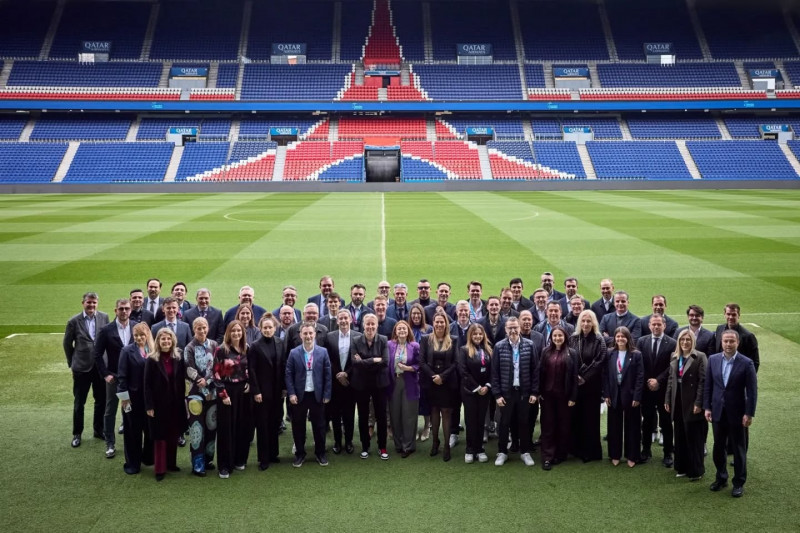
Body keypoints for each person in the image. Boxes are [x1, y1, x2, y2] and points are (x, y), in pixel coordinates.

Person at [704, 330, 757, 498]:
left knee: (738, 448)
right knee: (718, 447)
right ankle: (721, 478)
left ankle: (738, 483)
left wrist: (749, 413)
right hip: (718, 412)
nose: (728, 344)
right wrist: (707, 407)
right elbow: (708, 386)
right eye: (725, 341)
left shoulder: (747, 363)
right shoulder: (713, 360)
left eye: (731, 341)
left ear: (737, 343)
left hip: (738, 413)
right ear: (721, 342)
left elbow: (752, 391)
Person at [491, 317, 539, 467]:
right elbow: (494, 373)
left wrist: (534, 392)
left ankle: (525, 452)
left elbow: (535, 371)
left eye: (515, 327)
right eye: (510, 328)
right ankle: (502, 452)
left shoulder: (530, 345)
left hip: (524, 392)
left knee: (524, 422)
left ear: (519, 328)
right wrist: (497, 394)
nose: (513, 330)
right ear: (505, 330)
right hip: (506, 393)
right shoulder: (499, 346)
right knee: (504, 423)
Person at [64, 292, 109, 448]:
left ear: (97, 303)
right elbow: (67, 344)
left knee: (101, 400)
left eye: (94, 302)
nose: (91, 305)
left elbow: (106, 340)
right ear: (83, 303)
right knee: (79, 402)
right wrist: (72, 363)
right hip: (81, 368)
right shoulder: (73, 321)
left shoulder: (104, 317)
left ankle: (98, 430)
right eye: (89, 302)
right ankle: (77, 433)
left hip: (100, 367)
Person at [285, 322, 332, 467]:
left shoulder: (323, 352)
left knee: (319, 425)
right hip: (300, 395)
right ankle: (300, 454)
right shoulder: (294, 353)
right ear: (300, 335)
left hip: (317, 395)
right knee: (298, 426)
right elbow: (288, 374)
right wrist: (291, 393)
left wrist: (327, 394)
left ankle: (320, 453)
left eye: (310, 333)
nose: (308, 336)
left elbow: (328, 374)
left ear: (315, 334)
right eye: (305, 333)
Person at [144, 328, 187, 481]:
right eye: (163, 339)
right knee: (160, 436)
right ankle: (160, 469)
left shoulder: (178, 357)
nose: (166, 342)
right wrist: (149, 406)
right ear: (158, 341)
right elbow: (147, 385)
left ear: (173, 340)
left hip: (175, 403)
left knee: (173, 435)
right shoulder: (152, 359)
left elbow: (182, 380)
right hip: (158, 404)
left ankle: (171, 464)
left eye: (168, 339)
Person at [664, 329, 707, 481]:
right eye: (682, 339)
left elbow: (703, 382)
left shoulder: (700, 356)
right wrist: (667, 399)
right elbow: (671, 380)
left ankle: (696, 470)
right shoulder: (675, 356)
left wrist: (699, 402)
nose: (685, 342)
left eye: (688, 339)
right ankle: (681, 467)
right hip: (677, 400)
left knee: (694, 437)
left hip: (692, 401)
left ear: (693, 341)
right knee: (680, 435)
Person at [94, 298, 134, 459]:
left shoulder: (136, 327)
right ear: (115, 311)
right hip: (114, 378)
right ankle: (110, 443)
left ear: (130, 310)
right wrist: (105, 374)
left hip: (132, 378)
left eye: (126, 308)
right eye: (121, 309)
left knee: (129, 410)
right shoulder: (106, 330)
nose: (124, 311)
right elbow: (97, 354)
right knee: (110, 410)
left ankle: (130, 443)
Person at [637, 314, 677, 466]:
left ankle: (668, 453)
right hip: (646, 389)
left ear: (664, 326)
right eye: (653, 324)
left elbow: (672, 365)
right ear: (649, 325)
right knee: (647, 421)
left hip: (664, 389)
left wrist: (658, 380)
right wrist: (649, 381)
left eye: (659, 324)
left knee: (666, 422)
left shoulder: (672, 343)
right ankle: (646, 450)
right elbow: (639, 364)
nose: (656, 327)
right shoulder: (642, 341)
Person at [213, 320, 251, 479]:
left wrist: (249, 382)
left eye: (239, 330)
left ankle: (238, 459)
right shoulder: (221, 350)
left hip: (243, 392)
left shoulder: (246, 348)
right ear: (228, 333)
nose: (236, 333)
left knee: (242, 426)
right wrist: (223, 394)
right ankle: (224, 465)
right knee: (226, 429)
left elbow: (249, 369)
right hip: (227, 392)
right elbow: (216, 374)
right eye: (233, 331)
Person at [568, 310, 607, 463]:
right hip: (576, 385)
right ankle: (576, 448)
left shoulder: (599, 339)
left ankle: (591, 452)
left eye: (588, 321)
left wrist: (584, 377)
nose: (585, 324)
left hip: (592, 386)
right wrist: (575, 376)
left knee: (590, 418)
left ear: (593, 323)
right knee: (576, 417)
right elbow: (569, 358)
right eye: (583, 321)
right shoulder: (573, 338)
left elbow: (599, 361)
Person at [249, 314, 287, 470]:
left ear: (275, 328)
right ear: (260, 328)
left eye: (270, 327)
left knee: (275, 422)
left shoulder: (280, 343)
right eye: (265, 327)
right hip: (262, 393)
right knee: (263, 425)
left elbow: (283, 365)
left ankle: (273, 454)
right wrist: (256, 391)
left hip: (277, 391)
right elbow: (252, 370)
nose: (267, 330)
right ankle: (263, 458)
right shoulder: (255, 346)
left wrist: (284, 387)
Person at [420, 312, 459, 462]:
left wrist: (442, 377)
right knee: (434, 411)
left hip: (447, 382)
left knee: (446, 413)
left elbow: (456, 362)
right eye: (437, 322)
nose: (439, 324)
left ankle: (447, 446)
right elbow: (422, 361)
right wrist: (434, 377)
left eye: (442, 322)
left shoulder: (453, 339)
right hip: (431, 382)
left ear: (446, 324)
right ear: (433, 323)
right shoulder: (426, 339)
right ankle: (435, 442)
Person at [538, 326, 578, 470]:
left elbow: (574, 376)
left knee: (563, 425)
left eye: (560, 335)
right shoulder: (545, 351)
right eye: (554, 336)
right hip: (547, 396)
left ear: (565, 337)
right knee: (548, 425)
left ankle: (560, 454)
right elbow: (540, 372)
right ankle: (547, 456)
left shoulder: (572, 353)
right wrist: (538, 392)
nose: (557, 338)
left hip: (564, 396)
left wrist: (573, 396)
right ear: (551, 337)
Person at [602, 326, 644, 468]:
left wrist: (637, 396)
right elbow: (605, 375)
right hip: (614, 394)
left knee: (632, 426)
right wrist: (606, 394)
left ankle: (632, 455)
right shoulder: (610, 353)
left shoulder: (636, 354)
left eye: (623, 336)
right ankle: (615, 455)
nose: (620, 339)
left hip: (631, 396)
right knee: (614, 426)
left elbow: (640, 377)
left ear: (628, 338)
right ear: (614, 338)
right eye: (618, 336)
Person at [117, 322, 155, 474]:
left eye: (142, 335)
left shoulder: (153, 350)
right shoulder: (126, 351)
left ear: (147, 335)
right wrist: (124, 398)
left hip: (150, 399)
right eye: (136, 335)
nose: (139, 338)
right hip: (132, 399)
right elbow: (121, 376)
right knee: (133, 431)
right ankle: (133, 463)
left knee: (150, 430)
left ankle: (148, 457)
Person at [183, 316, 219, 476]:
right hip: (195, 394)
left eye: (204, 327)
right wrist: (201, 381)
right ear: (194, 329)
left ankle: (208, 459)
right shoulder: (189, 347)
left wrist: (209, 380)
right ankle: (197, 464)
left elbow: (217, 366)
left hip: (212, 393)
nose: (202, 330)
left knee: (211, 426)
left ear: (208, 328)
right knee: (197, 428)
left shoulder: (214, 345)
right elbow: (189, 368)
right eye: (199, 328)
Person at [351, 314, 390, 459]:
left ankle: (382, 446)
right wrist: (374, 360)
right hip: (361, 384)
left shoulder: (383, 340)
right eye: (367, 324)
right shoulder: (356, 340)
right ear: (363, 325)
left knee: (381, 415)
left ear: (377, 325)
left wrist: (364, 362)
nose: (370, 327)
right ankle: (365, 446)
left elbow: (385, 361)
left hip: (379, 383)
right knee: (363, 415)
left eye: (373, 324)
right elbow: (355, 363)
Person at [325, 309, 361, 455]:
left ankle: (349, 441)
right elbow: (328, 358)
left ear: (351, 320)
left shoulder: (358, 336)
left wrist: (347, 373)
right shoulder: (330, 336)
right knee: (335, 414)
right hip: (335, 381)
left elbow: (359, 359)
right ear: (337, 321)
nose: (344, 321)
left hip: (350, 382)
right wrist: (338, 374)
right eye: (341, 318)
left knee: (349, 414)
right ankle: (337, 442)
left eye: (346, 318)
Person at [458, 324, 493, 464]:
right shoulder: (464, 350)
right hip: (470, 391)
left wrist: (487, 386)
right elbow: (463, 371)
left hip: (485, 391)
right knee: (471, 420)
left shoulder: (489, 349)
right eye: (475, 334)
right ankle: (470, 449)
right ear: (470, 336)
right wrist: (477, 387)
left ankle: (479, 449)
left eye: (480, 334)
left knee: (481, 420)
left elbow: (493, 370)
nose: (478, 336)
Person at [387, 321, 420, 458]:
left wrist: (409, 368)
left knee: (409, 415)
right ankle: (398, 444)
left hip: (409, 383)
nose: (401, 330)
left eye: (404, 328)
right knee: (395, 414)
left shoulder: (414, 346)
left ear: (408, 331)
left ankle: (408, 446)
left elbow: (420, 364)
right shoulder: (389, 345)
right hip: (394, 382)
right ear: (395, 331)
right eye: (399, 328)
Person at [408, 303, 433, 441]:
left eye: (419, 314)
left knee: (425, 399)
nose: (416, 316)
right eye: (414, 314)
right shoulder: (408, 328)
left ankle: (427, 426)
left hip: (425, 371)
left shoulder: (429, 329)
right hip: (410, 370)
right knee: (412, 400)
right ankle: (414, 427)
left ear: (422, 315)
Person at [713, 304, 759, 373]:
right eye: (728, 314)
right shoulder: (719, 329)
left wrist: (748, 377)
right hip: (720, 372)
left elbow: (755, 362)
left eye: (734, 314)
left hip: (738, 374)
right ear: (724, 314)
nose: (730, 317)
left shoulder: (748, 336)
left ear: (739, 315)